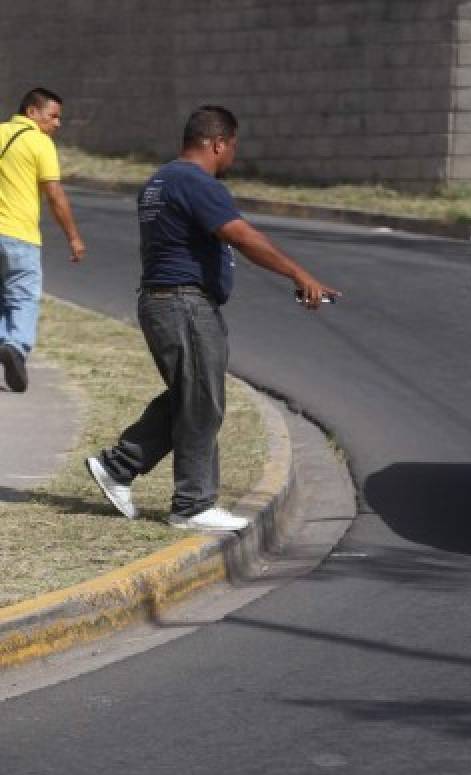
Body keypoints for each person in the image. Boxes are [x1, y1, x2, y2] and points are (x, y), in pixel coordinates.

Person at [85, 105, 337, 532]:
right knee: (202, 401)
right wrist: (300, 274)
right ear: (218, 143)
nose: (232, 157)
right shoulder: (195, 181)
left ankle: (118, 466)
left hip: (167, 301)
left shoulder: (160, 180)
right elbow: (241, 236)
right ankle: (192, 506)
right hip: (183, 303)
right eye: (232, 148)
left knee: (192, 395)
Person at [0, 87, 86, 392]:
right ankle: (16, 346)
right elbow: (54, 194)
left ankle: (5, 345)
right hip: (19, 236)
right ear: (32, 112)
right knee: (23, 296)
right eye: (54, 116)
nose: (57, 123)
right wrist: (73, 237)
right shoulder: (40, 143)